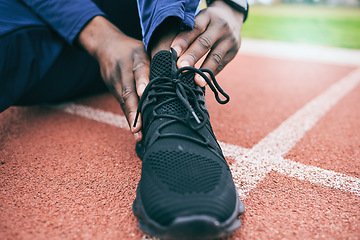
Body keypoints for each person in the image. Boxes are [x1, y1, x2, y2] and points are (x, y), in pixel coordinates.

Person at [0, 0, 248, 238]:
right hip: (58, 26)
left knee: (167, 35)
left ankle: (167, 76)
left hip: (144, 23)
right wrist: (101, 38)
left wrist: (232, 5)